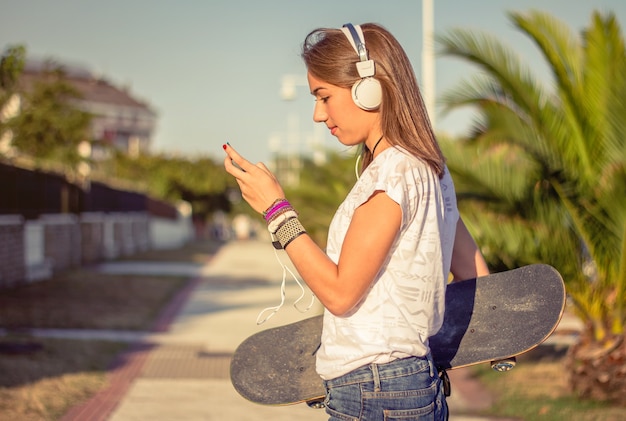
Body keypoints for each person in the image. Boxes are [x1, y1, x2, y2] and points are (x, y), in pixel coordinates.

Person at [224, 22, 489, 421]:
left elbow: (340, 292)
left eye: (324, 96)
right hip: (407, 383)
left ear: (370, 88)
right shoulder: (432, 171)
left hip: (376, 392)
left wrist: (276, 210)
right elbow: (474, 273)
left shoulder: (392, 176)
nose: (318, 114)